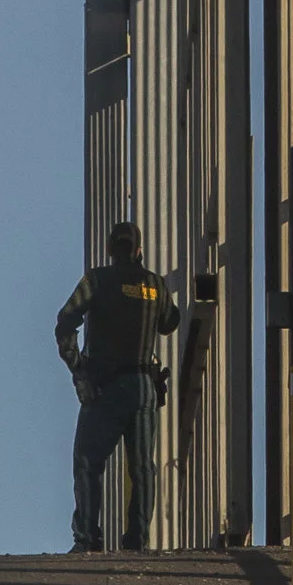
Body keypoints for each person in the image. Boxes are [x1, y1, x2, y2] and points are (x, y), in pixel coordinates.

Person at [55, 221, 182, 553]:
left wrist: (78, 368)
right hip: (143, 388)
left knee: (88, 462)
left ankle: (87, 539)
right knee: (142, 467)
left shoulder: (97, 281)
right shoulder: (155, 285)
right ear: (138, 250)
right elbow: (170, 322)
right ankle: (137, 540)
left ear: (110, 249)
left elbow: (66, 320)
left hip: (105, 388)